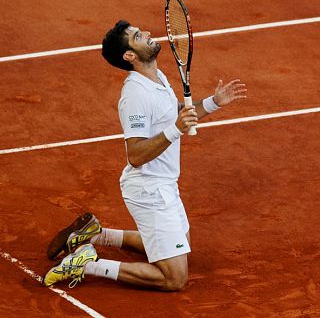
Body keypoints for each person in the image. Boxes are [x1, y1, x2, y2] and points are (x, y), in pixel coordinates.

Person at [43, 20, 247, 291]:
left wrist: (213, 102)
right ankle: (87, 263)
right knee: (174, 278)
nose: (148, 33)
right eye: (138, 36)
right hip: (148, 189)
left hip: (164, 183)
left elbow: (175, 113)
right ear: (130, 55)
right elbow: (136, 155)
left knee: (181, 243)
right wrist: (175, 130)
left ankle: (97, 235)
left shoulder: (157, 77)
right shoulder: (135, 95)